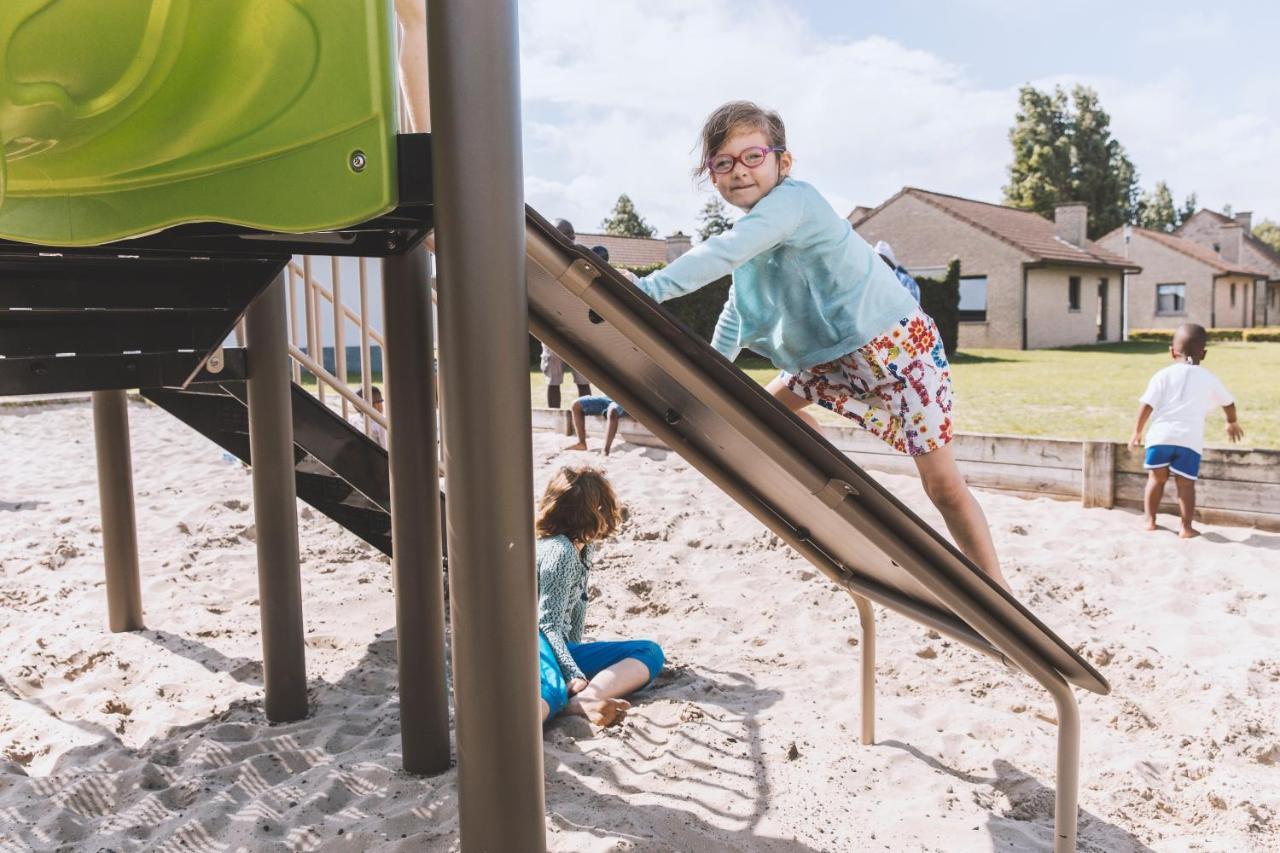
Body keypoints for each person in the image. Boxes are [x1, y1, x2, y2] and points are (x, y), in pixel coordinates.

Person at [632, 100, 1009, 591]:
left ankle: (997, 587)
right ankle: (838, 477)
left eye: (752, 156)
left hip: (898, 349)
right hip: (830, 360)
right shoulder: (753, 235)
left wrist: (648, 290)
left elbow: (717, 256)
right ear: (713, 177)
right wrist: (711, 375)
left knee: (943, 485)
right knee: (763, 414)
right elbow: (737, 313)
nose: (738, 172)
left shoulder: (794, 203)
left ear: (782, 163)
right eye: (722, 163)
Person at [536, 467, 664, 726]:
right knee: (552, 689)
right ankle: (531, 720)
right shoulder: (559, 551)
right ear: (598, 511)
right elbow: (546, 623)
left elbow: (574, 613)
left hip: (558, 645)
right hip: (534, 644)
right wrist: (573, 672)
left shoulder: (582, 547)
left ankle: (583, 701)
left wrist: (575, 664)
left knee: (649, 651)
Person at [1129, 323, 1243, 538]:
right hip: (1189, 440)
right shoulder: (1209, 377)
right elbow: (1229, 403)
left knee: (1156, 479)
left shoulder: (1162, 375)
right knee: (1186, 485)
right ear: (1204, 353)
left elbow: (1147, 404)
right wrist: (1231, 422)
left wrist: (1137, 431)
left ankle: (1150, 521)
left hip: (1160, 437)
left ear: (1172, 352)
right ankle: (1186, 528)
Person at [539, 220, 593, 408]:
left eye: (573, 231)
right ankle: (556, 424)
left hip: (578, 326)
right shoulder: (543, 258)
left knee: (584, 378)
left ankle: (586, 420)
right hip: (552, 327)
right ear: (554, 234)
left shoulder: (581, 258)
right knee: (553, 379)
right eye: (566, 232)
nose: (571, 235)